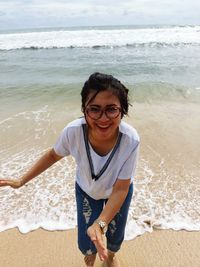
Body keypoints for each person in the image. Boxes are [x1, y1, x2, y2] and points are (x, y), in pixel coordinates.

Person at [0, 72, 140, 267]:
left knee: (116, 235)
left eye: (111, 109)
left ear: (122, 110)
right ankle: (90, 260)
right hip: (86, 191)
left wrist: (101, 224)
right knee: (86, 243)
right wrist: (21, 181)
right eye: (94, 109)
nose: (103, 118)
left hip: (117, 192)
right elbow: (52, 155)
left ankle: (111, 256)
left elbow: (121, 189)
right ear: (84, 110)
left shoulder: (130, 140)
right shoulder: (73, 132)